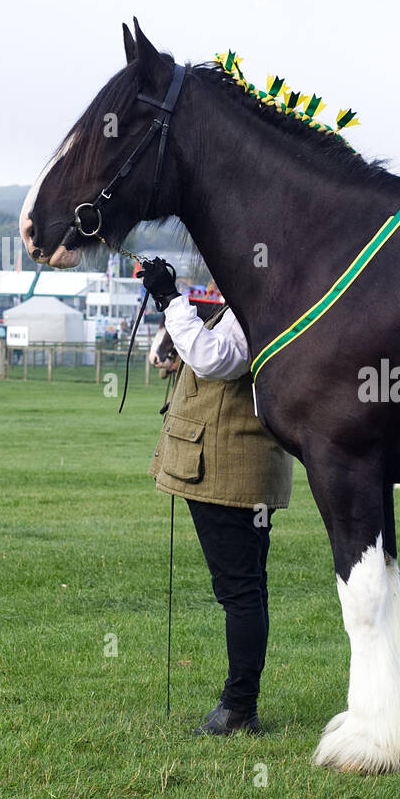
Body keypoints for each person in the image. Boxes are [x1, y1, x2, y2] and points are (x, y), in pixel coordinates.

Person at [141, 262, 293, 736]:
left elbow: (214, 359)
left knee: (241, 592)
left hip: (228, 469)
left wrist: (170, 300)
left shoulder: (255, 305)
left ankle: (238, 708)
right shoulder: (259, 297)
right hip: (228, 466)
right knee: (246, 589)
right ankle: (239, 704)